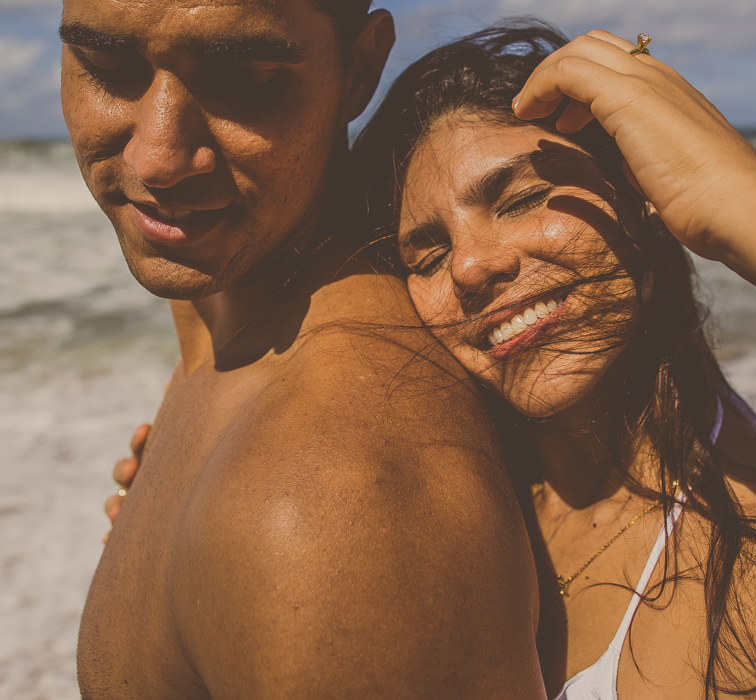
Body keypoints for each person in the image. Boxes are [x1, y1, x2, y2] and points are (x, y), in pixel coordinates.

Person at [107, 22, 756, 700]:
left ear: (647, 201)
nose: (473, 266)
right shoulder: (443, 513)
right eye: (425, 254)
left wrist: (747, 205)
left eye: (521, 197)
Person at [62, 0, 547, 696]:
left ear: (359, 67)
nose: (159, 158)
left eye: (245, 79)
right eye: (106, 67)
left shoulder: (335, 495)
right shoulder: (218, 308)